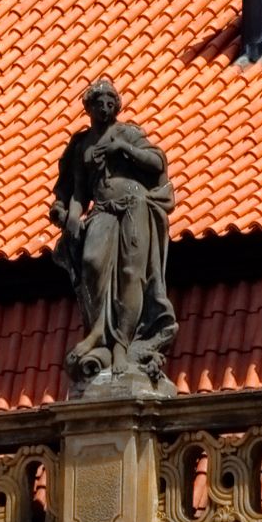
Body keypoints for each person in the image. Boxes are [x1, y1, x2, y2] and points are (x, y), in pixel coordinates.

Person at [50, 83, 176, 397]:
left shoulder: (128, 134)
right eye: (98, 103)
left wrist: (123, 149)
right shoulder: (82, 146)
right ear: (89, 108)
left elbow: (157, 164)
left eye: (109, 103)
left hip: (135, 207)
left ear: (116, 107)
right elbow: (79, 192)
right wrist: (70, 220)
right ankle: (97, 333)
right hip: (102, 209)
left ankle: (121, 344)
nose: (104, 108)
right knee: (91, 264)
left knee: (132, 275)